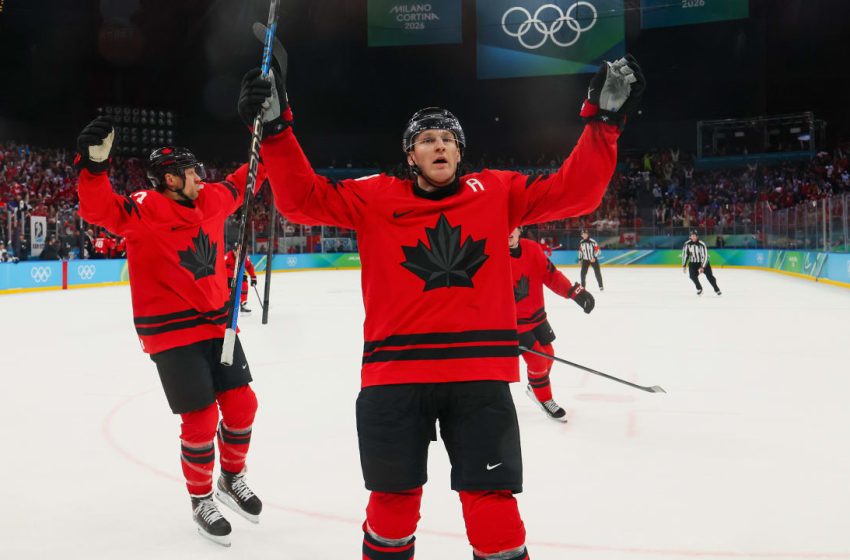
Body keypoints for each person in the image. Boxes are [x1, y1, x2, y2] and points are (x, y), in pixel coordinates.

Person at [239, 47, 644, 560]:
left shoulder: (496, 191)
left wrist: (604, 121)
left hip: (479, 378)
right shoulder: (375, 196)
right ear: (410, 154)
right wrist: (276, 129)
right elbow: (300, 199)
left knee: (492, 504)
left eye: (449, 139)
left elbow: (578, 192)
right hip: (393, 378)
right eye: (427, 139)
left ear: (460, 151)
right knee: (392, 504)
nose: (440, 146)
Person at [74, 117, 265, 547]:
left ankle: (232, 478)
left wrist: (265, 137)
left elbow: (245, 179)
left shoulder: (213, 199)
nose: (201, 177)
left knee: (242, 405)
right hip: (172, 334)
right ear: (170, 179)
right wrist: (93, 168)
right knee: (200, 421)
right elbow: (98, 209)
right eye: (192, 172)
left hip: (218, 324)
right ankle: (201, 499)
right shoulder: (144, 209)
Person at [509, 227, 594, 422]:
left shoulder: (532, 250)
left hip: (537, 316)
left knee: (549, 354)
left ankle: (535, 387)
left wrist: (575, 293)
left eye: (511, 227)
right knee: (537, 361)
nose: (507, 232)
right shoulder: (494, 255)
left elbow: (551, 276)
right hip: (514, 323)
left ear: (519, 229)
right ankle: (545, 400)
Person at [682, 229, 721, 295]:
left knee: (710, 277)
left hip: (703, 262)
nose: (693, 237)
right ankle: (699, 288)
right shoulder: (686, 244)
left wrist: (702, 267)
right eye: (692, 236)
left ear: (697, 236)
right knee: (692, 276)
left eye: (695, 236)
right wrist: (684, 265)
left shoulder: (702, 244)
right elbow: (685, 255)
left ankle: (716, 289)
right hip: (693, 263)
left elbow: (705, 256)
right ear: (690, 236)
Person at [223, 244, 257, 313]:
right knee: (228, 289)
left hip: (239, 273)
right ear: (233, 251)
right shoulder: (227, 257)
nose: (238, 254)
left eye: (240, 252)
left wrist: (253, 278)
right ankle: (227, 304)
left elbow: (249, 267)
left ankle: (243, 304)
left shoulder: (244, 257)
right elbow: (220, 267)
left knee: (244, 285)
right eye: (236, 252)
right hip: (229, 275)